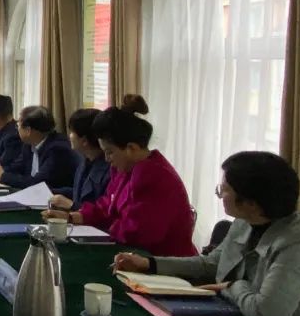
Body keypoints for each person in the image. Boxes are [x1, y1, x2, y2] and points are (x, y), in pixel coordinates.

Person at [114, 152, 300, 316]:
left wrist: (233, 286)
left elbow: (267, 314)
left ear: (251, 202)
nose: (219, 194)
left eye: (224, 190)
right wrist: (149, 264)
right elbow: (212, 264)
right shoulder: (246, 221)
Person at [44, 95, 196, 256]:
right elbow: (106, 207)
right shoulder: (125, 169)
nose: (107, 159)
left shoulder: (154, 176)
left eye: (110, 152)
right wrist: (73, 217)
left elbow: (137, 232)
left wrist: (107, 225)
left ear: (131, 148)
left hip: (162, 262)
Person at [0, 105, 78, 190]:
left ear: (28, 130)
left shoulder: (58, 150)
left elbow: (38, 183)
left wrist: (2, 176)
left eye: (18, 126)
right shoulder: (29, 144)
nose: (17, 129)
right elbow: (17, 167)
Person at [49, 108, 110, 211]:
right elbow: (79, 192)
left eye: (72, 132)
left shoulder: (110, 169)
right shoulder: (85, 160)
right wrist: (50, 191)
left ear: (84, 141)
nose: (69, 136)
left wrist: (72, 205)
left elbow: (103, 211)